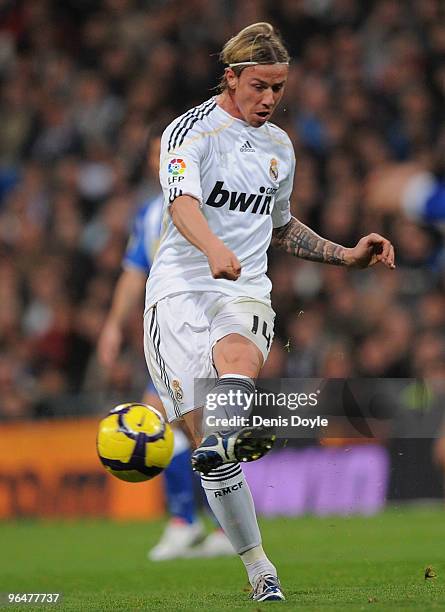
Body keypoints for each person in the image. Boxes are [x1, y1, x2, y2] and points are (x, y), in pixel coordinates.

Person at [143, 22, 395, 602]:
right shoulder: (190, 132)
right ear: (230, 78)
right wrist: (212, 249)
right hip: (179, 292)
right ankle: (258, 565)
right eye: (259, 86)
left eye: (279, 88)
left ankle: (226, 435)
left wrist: (346, 255)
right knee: (212, 460)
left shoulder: (280, 147)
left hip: (245, 288)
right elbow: (181, 203)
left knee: (237, 356)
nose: (269, 99)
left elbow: (279, 227)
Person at [97, 131, 233, 561]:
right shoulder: (150, 213)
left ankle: (195, 523)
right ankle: (202, 525)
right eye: (159, 155)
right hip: (166, 330)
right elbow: (134, 272)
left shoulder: (213, 202)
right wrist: (114, 326)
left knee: (179, 422)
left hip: (206, 327)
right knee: (176, 424)